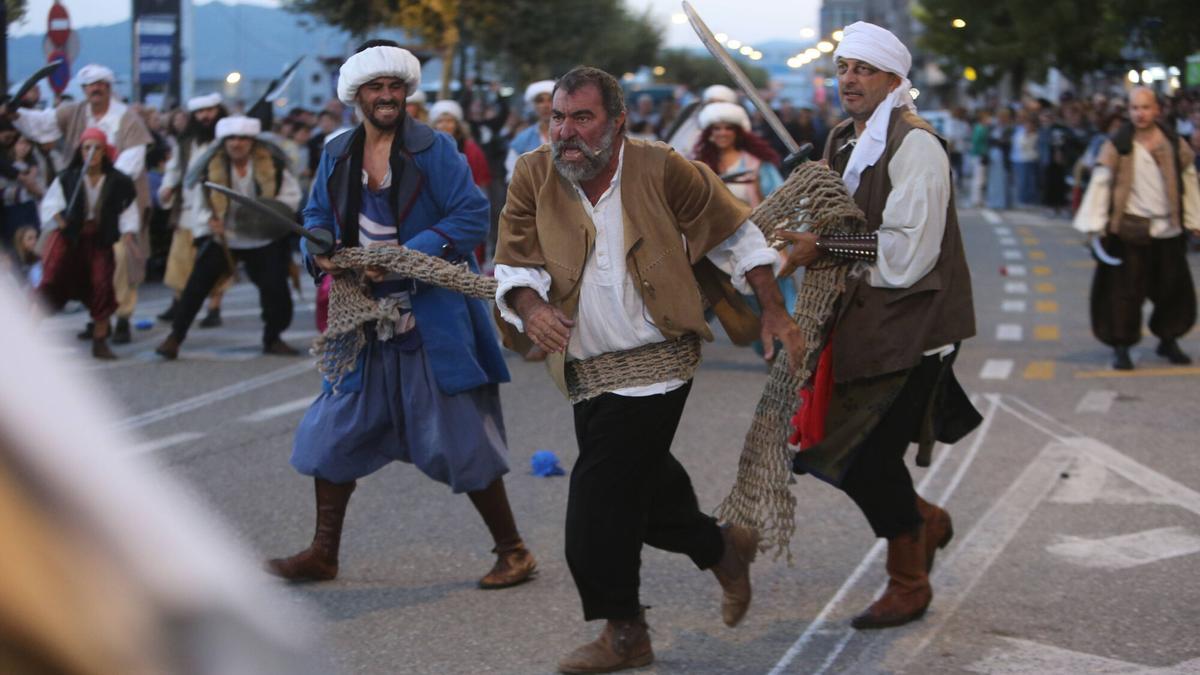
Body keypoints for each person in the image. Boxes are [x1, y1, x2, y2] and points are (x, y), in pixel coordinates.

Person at [494, 65, 803, 673]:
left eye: (582, 118)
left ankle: (627, 633)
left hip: (660, 363)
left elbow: (736, 237)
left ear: (616, 122)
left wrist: (773, 311)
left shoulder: (662, 167)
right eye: (558, 117)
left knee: (597, 503)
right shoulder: (532, 174)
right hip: (585, 369)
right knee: (646, 489)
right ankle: (723, 548)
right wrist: (529, 307)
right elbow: (513, 261)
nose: (567, 132)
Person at [269, 40, 536, 591]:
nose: (387, 96)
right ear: (357, 96)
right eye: (376, 88)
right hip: (363, 321)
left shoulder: (435, 150)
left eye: (395, 87)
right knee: (330, 434)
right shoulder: (338, 151)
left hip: (428, 317)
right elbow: (318, 212)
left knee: (464, 439)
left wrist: (398, 256)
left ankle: (514, 552)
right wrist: (319, 247)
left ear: (406, 92)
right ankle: (323, 553)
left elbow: (471, 215)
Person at [777, 21, 980, 631]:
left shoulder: (916, 144)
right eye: (843, 68)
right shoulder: (844, 138)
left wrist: (827, 246)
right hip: (861, 322)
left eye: (864, 70)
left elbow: (906, 253)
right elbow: (836, 213)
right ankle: (925, 521)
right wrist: (808, 184)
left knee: (862, 457)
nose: (850, 80)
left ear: (895, 78)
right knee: (834, 451)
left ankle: (909, 579)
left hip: (912, 327)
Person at [14, 64, 153, 345]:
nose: (95, 89)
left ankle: (123, 317)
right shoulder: (74, 112)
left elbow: (132, 163)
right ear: (83, 90)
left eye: (100, 84)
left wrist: (103, 184)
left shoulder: (127, 120)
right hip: (80, 201)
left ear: (109, 87)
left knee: (122, 258)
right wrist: (14, 113)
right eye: (90, 86)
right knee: (86, 262)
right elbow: (41, 124)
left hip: (119, 199)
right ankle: (96, 318)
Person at [154, 116, 302, 359]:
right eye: (231, 138)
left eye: (243, 138)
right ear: (223, 142)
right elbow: (200, 204)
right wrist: (210, 223)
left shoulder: (273, 164)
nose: (237, 143)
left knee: (276, 289)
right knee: (195, 287)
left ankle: (273, 337)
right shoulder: (210, 166)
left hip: (262, 237)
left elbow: (291, 198)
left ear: (253, 141)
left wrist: (268, 217)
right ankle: (175, 337)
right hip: (224, 237)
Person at [1073, 87, 1199, 370]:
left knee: (1172, 290)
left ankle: (1169, 339)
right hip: (1130, 230)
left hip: (1168, 229)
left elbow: (1189, 181)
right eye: (1134, 108)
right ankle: (1122, 346)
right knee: (1124, 293)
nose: (1140, 113)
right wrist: (1095, 224)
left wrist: (1194, 219)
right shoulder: (1118, 144)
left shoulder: (1174, 143)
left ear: (1157, 110)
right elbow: (1102, 182)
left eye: (1145, 107)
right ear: (1129, 111)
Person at [37, 128, 138, 360]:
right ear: (80, 151)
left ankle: (100, 340)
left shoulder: (118, 180)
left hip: (100, 240)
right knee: (51, 281)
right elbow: (51, 205)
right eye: (86, 148)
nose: (91, 153)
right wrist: (61, 222)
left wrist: (129, 232)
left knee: (102, 284)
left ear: (105, 152)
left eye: (97, 148)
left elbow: (128, 208)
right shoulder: (67, 178)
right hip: (70, 240)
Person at [157, 93, 228, 325]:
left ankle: (214, 308)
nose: (205, 116)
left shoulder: (226, 141)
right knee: (180, 260)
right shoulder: (186, 142)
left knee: (215, 262)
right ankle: (179, 303)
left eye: (210, 111)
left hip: (215, 209)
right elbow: (175, 170)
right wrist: (168, 188)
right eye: (200, 112)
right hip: (187, 208)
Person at [693, 102, 782, 208]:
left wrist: (757, 190)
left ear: (737, 133)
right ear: (710, 133)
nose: (723, 133)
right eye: (717, 128)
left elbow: (779, 200)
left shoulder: (757, 164)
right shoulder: (701, 163)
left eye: (728, 128)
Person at [504, 79, 554, 182]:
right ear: (533, 105)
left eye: (550, 100)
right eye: (540, 100)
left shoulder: (569, 134)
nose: (546, 105)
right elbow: (513, 175)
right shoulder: (522, 139)